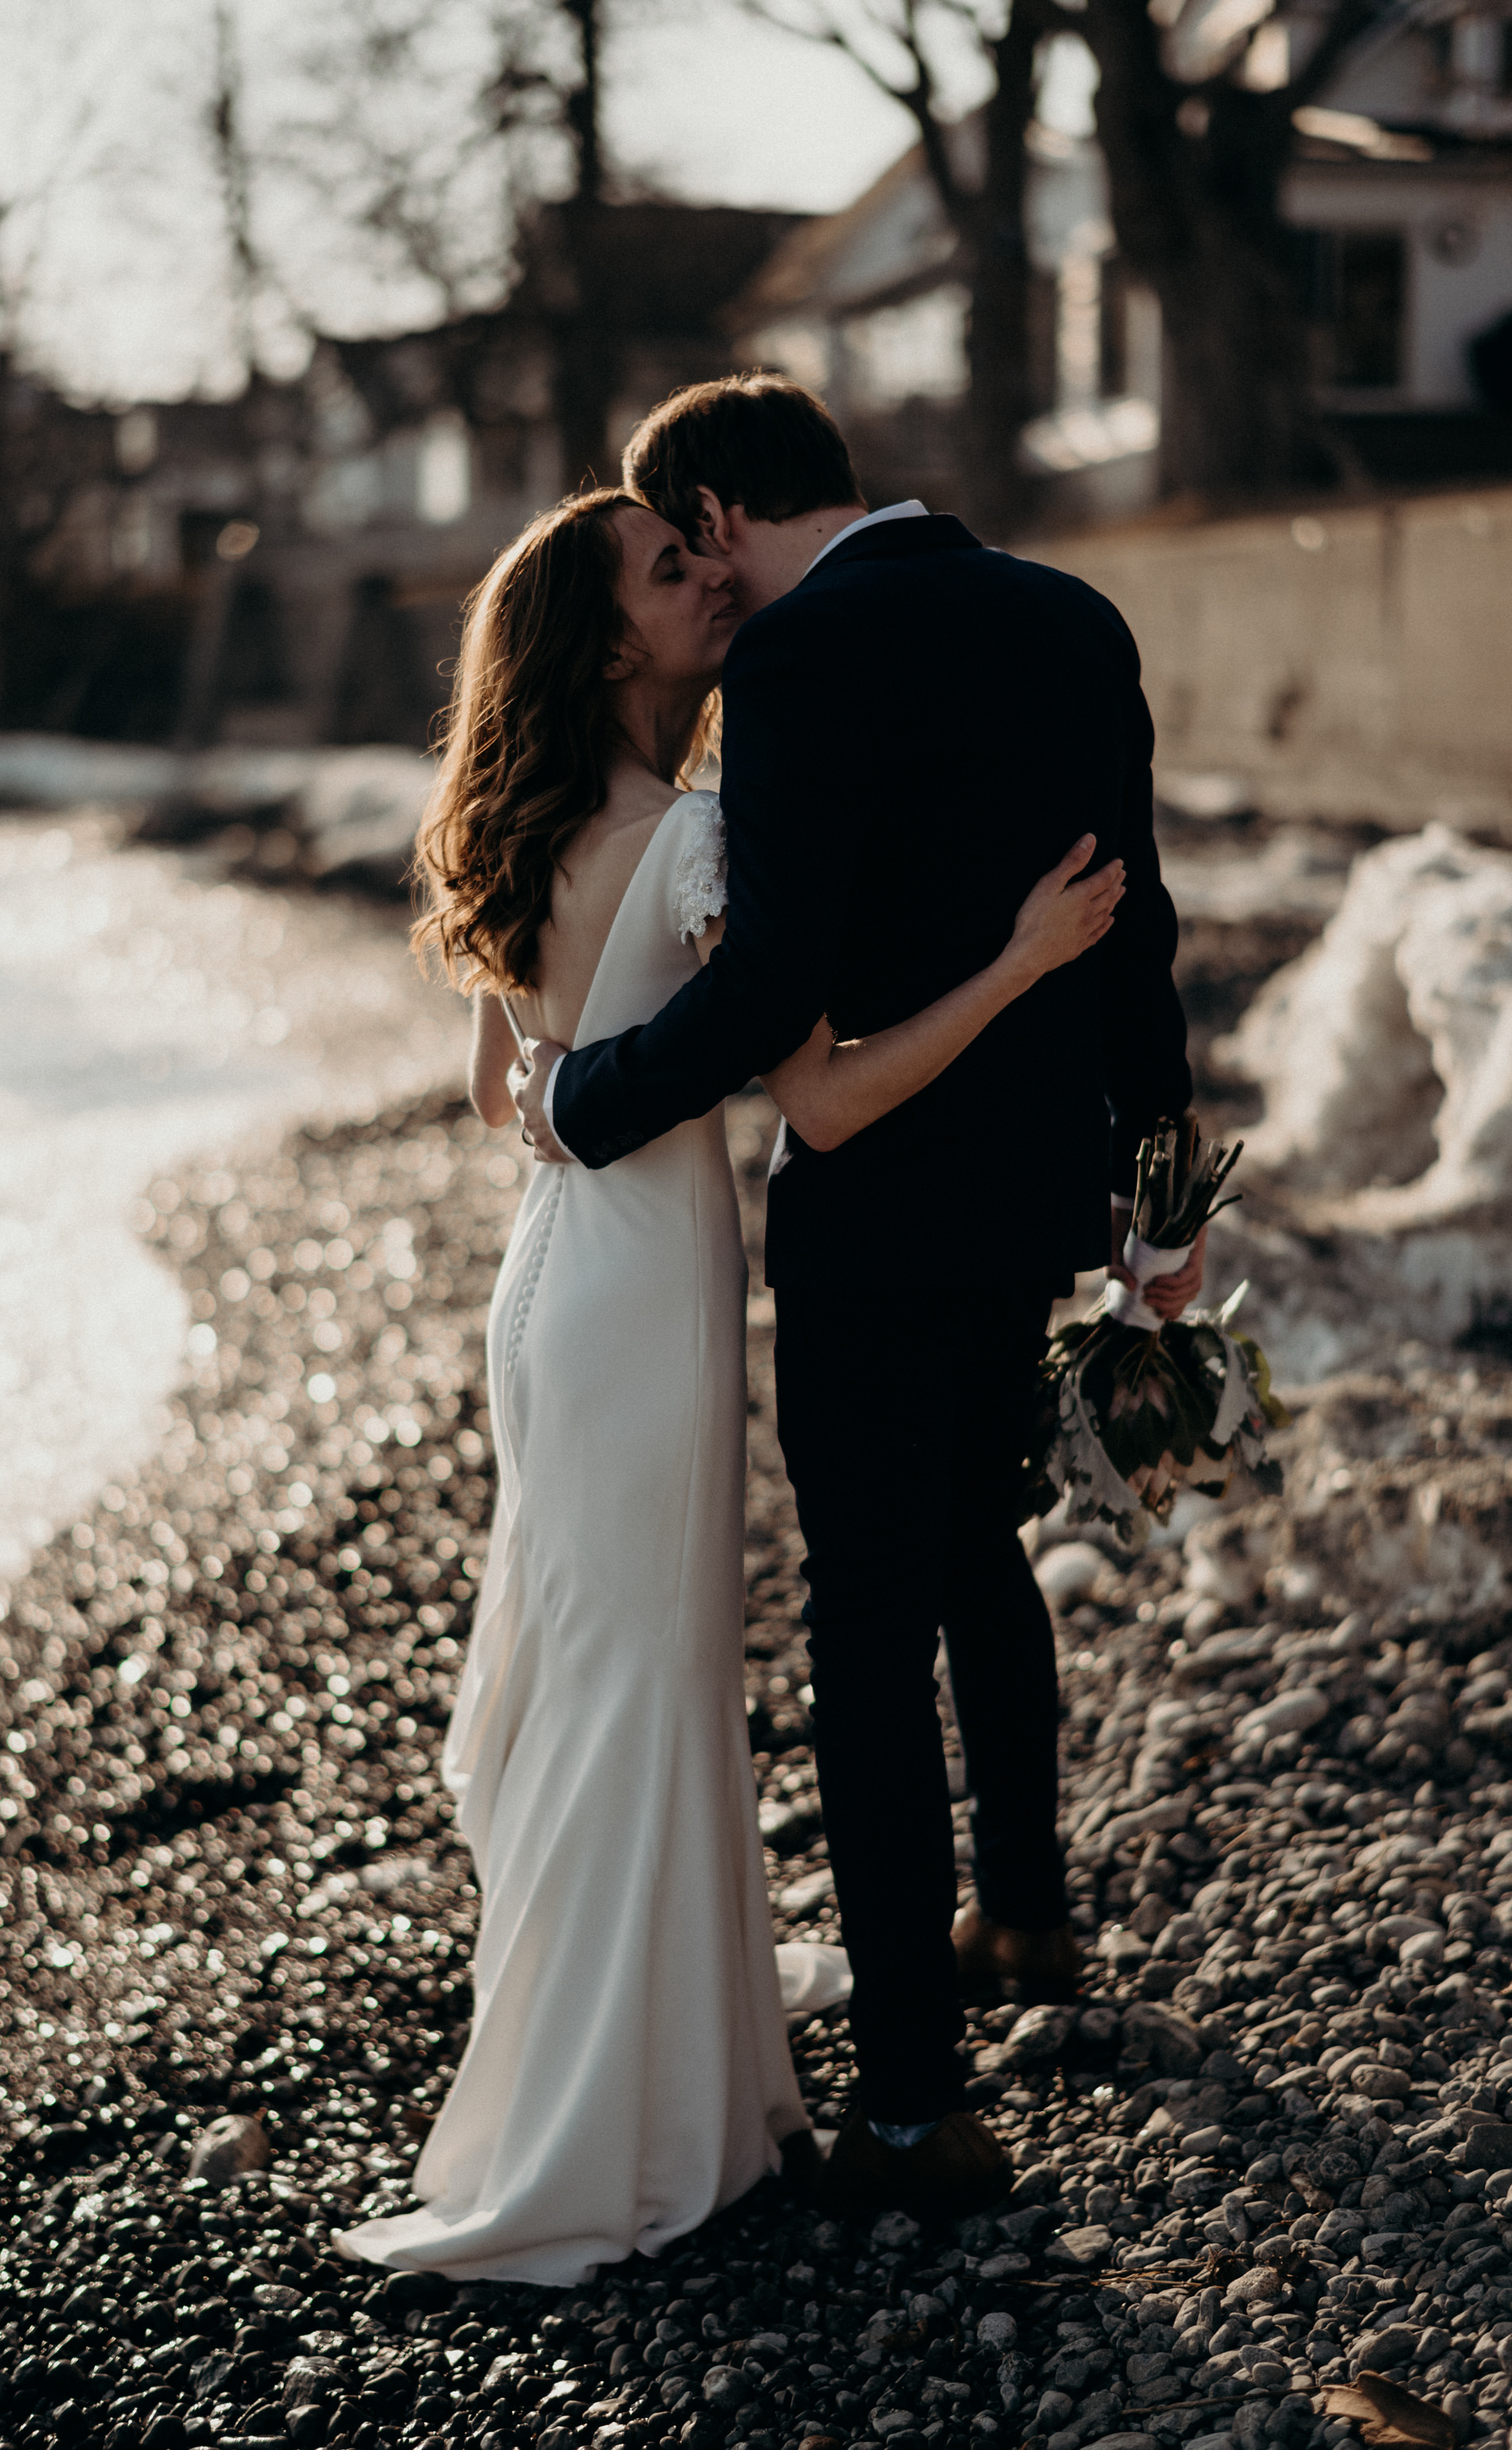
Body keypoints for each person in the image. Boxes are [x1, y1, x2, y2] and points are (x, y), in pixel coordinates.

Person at [334, 482, 1123, 2285]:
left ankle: (636, 2088)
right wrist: (1015, 960)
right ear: (608, 638)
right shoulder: (695, 843)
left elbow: (498, 1093)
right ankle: (617, 2124)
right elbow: (828, 1101)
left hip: (546, 1289)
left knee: (610, 1679)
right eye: (670, 569)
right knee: (649, 1690)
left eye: (705, 551)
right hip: (641, 1312)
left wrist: (565, 1100)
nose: (714, 583)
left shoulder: (505, 824)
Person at [513, 375, 1197, 2215]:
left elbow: (766, 999)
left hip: (877, 1223)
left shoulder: (799, 668)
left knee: (870, 1634)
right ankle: (1031, 1916)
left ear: (720, 513)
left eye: (687, 543)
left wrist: (578, 1099)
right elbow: (1141, 926)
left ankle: (912, 2099)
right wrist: (1160, 1198)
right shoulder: (1072, 615)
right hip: (1042, 1204)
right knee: (982, 1549)